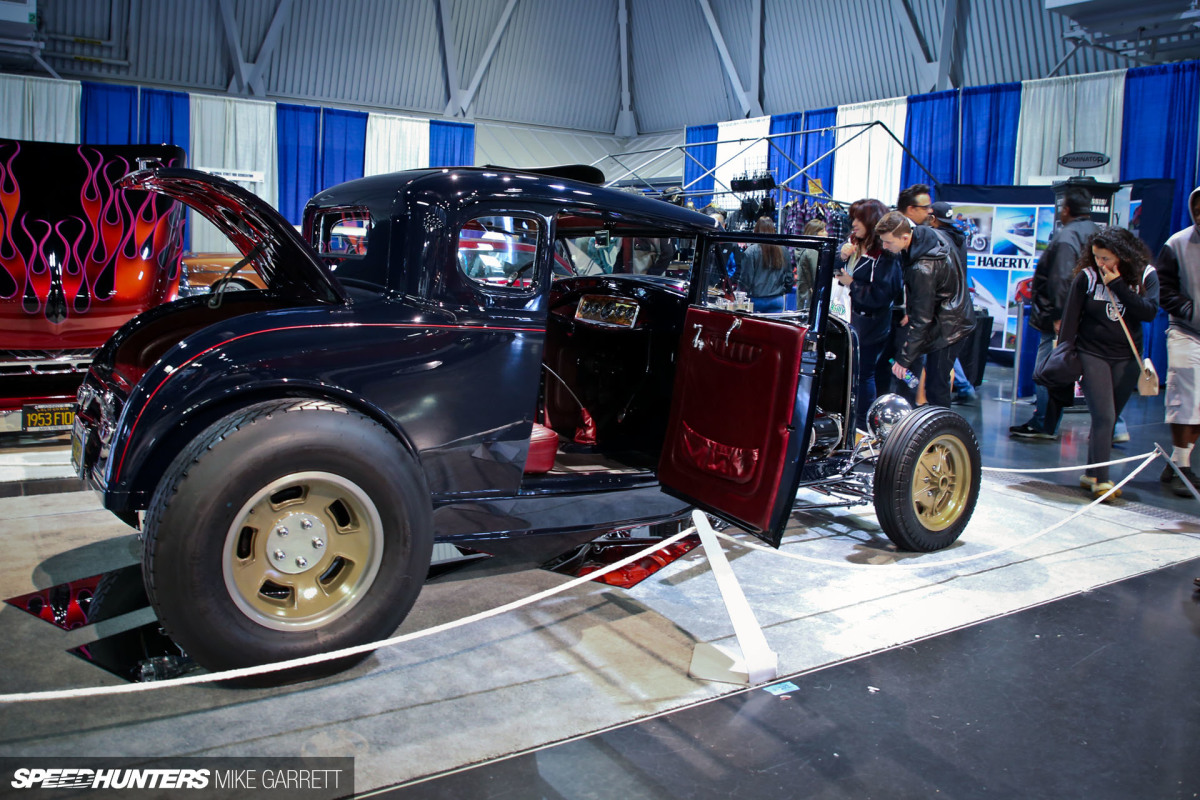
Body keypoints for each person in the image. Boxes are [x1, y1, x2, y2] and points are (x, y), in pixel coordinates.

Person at [1040, 228, 1159, 500]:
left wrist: (1117, 285)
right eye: (1096, 257)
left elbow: (1149, 312)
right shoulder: (1087, 277)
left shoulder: (1146, 275)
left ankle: (1092, 472)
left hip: (1128, 356)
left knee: (1110, 416)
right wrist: (1066, 358)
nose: (1100, 264)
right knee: (1104, 415)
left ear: (1123, 255)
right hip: (1092, 353)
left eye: (1106, 258)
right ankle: (1102, 482)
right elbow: (1070, 320)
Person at [1010, 186, 1098, 439]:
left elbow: (1060, 278)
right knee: (1092, 369)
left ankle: (1043, 423)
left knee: (1048, 370)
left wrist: (1060, 316)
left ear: (1066, 210)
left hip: (1060, 319)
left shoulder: (1066, 237)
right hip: (1090, 315)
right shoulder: (1096, 232)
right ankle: (1114, 424)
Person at [876, 211, 975, 408]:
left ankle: (944, 434)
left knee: (936, 385)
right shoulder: (927, 237)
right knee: (934, 381)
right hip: (951, 315)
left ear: (905, 237)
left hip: (951, 327)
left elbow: (922, 319)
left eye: (888, 242)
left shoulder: (923, 268)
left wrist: (904, 359)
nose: (885, 247)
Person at [835, 199, 902, 429]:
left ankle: (863, 427)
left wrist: (852, 283)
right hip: (846, 320)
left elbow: (881, 295)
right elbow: (833, 273)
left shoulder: (886, 255)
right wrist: (842, 257)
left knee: (864, 376)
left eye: (859, 218)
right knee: (850, 375)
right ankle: (849, 422)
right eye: (852, 217)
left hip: (870, 326)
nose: (853, 223)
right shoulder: (853, 246)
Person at [1156, 186, 1200, 498]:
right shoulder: (1177, 243)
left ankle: (1176, 461)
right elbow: (1164, 289)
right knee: (1185, 397)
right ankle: (1182, 467)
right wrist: (1190, 311)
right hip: (1186, 331)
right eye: (1196, 208)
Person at [929, 201, 978, 403]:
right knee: (940, 371)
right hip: (957, 311)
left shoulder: (939, 241)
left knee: (936, 377)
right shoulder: (958, 239)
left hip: (946, 312)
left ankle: (940, 426)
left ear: (934, 218)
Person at [737, 217, 792, 313]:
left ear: (756, 230)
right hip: (777, 299)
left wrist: (739, 293)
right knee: (774, 328)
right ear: (773, 230)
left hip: (755, 300)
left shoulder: (750, 252)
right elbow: (789, 278)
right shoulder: (783, 250)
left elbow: (746, 279)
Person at [795, 218, 827, 312]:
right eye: (822, 231)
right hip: (810, 297)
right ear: (814, 233)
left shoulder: (805, 248)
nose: (826, 233)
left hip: (804, 295)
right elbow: (816, 278)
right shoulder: (812, 251)